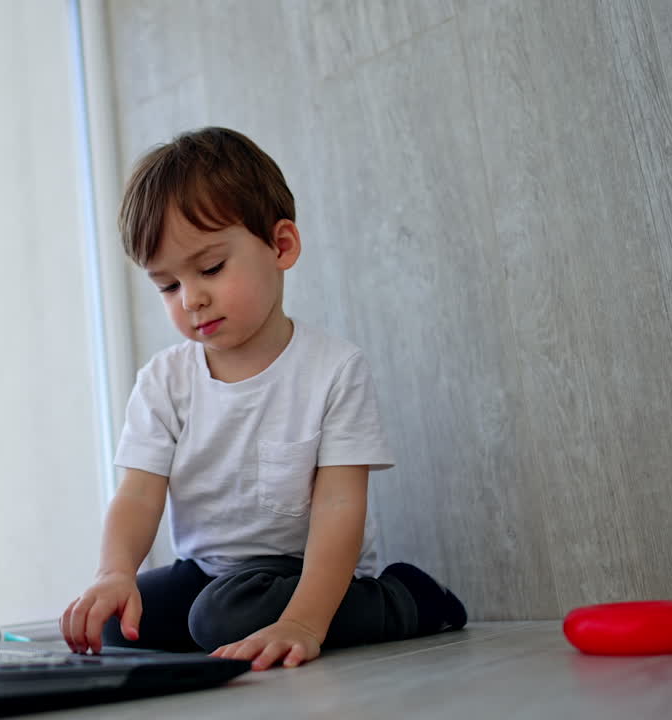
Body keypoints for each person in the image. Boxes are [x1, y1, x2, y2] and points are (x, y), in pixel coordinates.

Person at [59, 127, 466, 671]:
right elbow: (137, 495)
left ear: (281, 246)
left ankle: (405, 598)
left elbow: (340, 507)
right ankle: (222, 618)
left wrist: (303, 621)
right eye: (167, 286)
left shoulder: (333, 370)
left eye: (209, 269)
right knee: (118, 624)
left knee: (219, 618)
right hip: (208, 572)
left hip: (303, 570)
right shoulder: (164, 380)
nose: (192, 298)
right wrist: (114, 572)